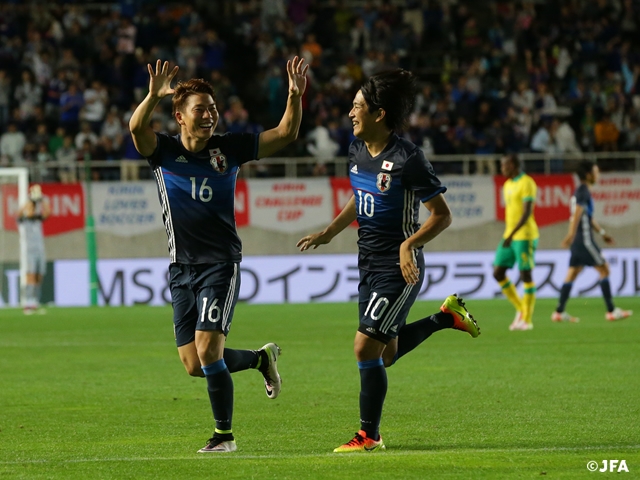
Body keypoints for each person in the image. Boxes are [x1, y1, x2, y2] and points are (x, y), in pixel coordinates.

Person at [128, 57, 309, 453]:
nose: (210, 115)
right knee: (195, 364)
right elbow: (137, 129)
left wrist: (294, 96)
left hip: (220, 265)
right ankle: (261, 359)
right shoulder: (163, 152)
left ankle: (224, 437)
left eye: (212, 108)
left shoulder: (230, 148)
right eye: (200, 109)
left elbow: (286, 133)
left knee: (209, 350)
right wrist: (152, 96)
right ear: (180, 116)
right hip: (181, 269)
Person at [296, 69, 480, 453]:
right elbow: (358, 196)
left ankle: (369, 435)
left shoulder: (408, 158)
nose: (350, 113)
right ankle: (446, 317)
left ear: (379, 114)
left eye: (357, 106)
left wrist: (408, 244)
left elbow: (442, 215)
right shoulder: (356, 150)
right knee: (386, 354)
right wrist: (329, 232)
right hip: (367, 264)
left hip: (400, 269)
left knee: (365, 348)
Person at [552, 161, 633, 323]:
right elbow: (577, 213)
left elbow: (588, 217)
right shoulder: (584, 192)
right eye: (596, 172)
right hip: (584, 240)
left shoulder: (579, 191)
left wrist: (602, 233)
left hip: (578, 241)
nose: (598, 174)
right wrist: (570, 235)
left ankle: (559, 312)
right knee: (604, 269)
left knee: (572, 273)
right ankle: (611, 311)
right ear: (588, 175)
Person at [493, 154, 539, 331]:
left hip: (525, 235)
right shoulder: (507, 185)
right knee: (498, 272)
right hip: (510, 235)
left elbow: (527, 213)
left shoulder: (527, 182)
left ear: (512, 165)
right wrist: (510, 234)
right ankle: (521, 308)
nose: (502, 169)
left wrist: (512, 234)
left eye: (504, 165)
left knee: (525, 274)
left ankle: (527, 320)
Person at [17, 184, 51, 314]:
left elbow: (48, 212)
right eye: (30, 207)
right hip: (29, 251)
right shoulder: (23, 220)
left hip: (40, 250)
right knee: (30, 275)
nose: (31, 209)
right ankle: (27, 303)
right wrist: (30, 199)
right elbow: (19, 212)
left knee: (39, 276)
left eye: (32, 207)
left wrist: (41, 199)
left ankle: (35, 302)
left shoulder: (38, 219)